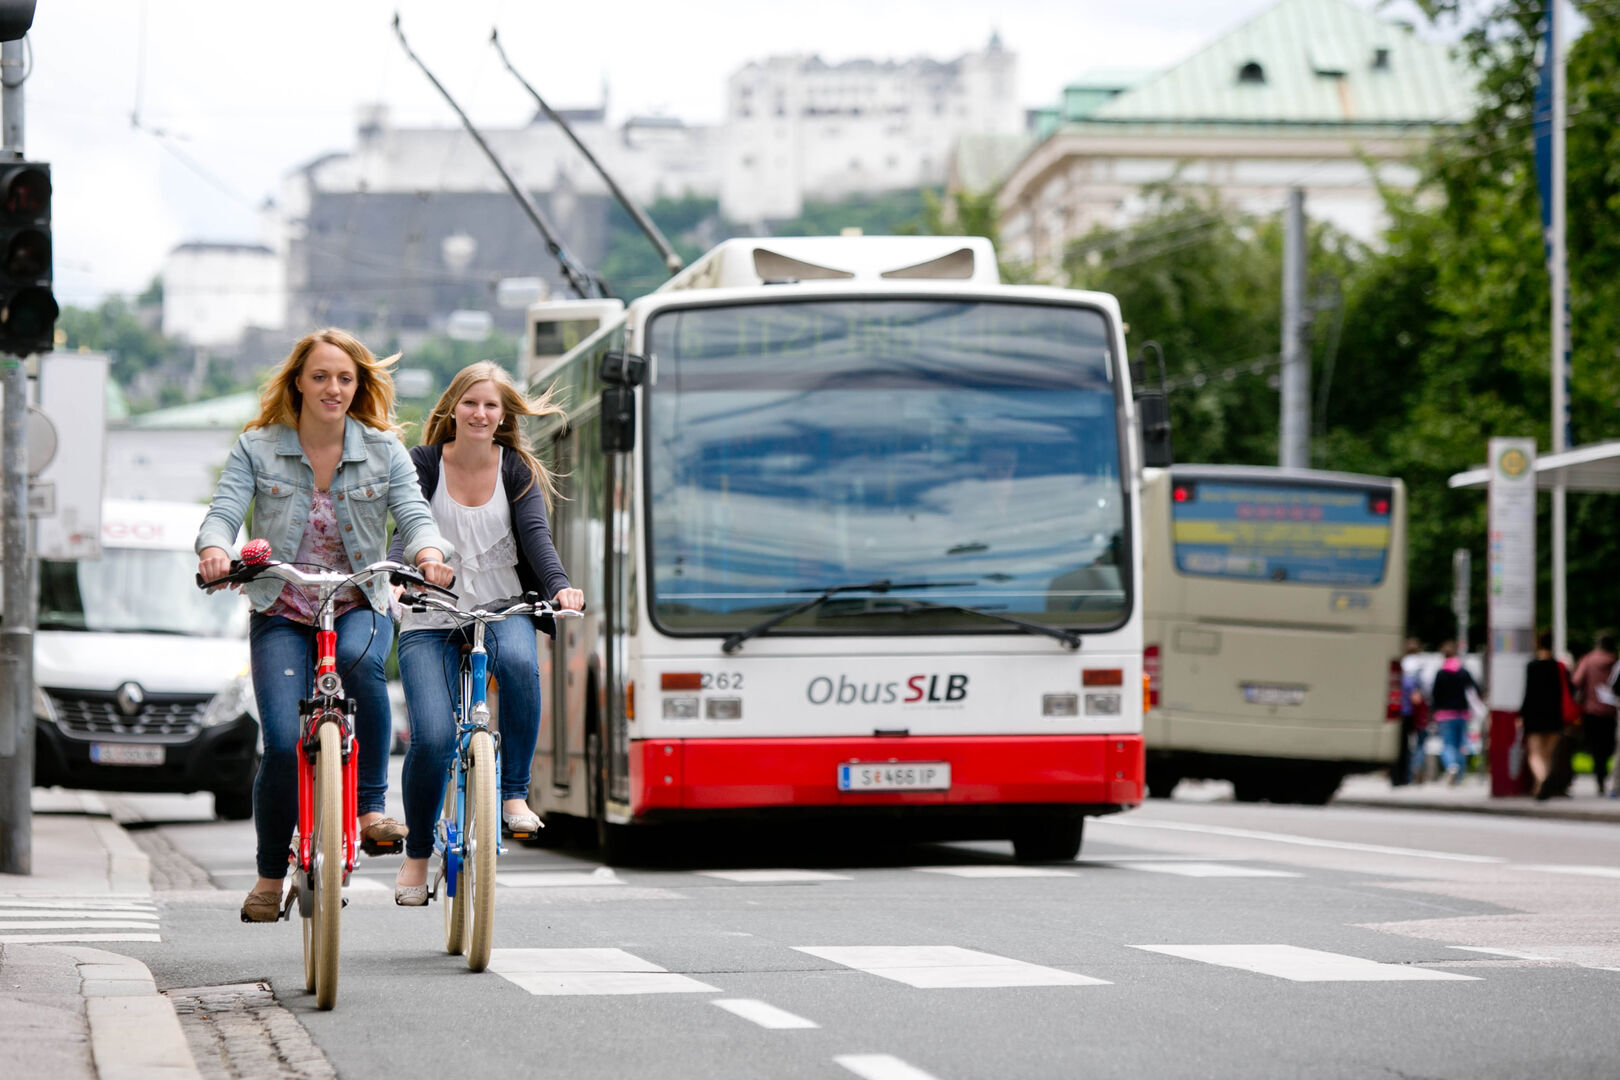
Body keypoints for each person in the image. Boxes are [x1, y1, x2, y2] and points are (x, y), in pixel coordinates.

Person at [195, 329, 456, 923]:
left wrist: (428, 554)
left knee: (364, 665)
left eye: (344, 378)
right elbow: (224, 512)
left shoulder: (384, 450)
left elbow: (414, 516)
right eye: (320, 377)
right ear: (298, 383)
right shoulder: (257, 448)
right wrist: (215, 548)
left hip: (357, 598)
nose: (332, 388)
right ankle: (268, 878)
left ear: (358, 385)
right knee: (285, 745)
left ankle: (368, 811)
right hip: (282, 608)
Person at [390, 361, 585, 907]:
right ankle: (418, 852)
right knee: (429, 737)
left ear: (503, 416)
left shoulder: (516, 468)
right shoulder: (423, 463)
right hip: (431, 615)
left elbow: (537, 540)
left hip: (502, 609)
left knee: (522, 666)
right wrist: (398, 578)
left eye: (491, 405)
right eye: (471, 402)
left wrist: (562, 587)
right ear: (453, 407)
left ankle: (514, 794)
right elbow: (405, 527)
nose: (480, 413)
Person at [1519, 631, 1574, 801]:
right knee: (1548, 754)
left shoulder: (1532, 666)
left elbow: (1528, 693)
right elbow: (1568, 691)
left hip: (1534, 714)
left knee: (1535, 753)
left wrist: (1521, 715)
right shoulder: (1559, 667)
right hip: (1554, 714)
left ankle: (1542, 781)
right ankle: (1541, 786)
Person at [1425, 640, 1478, 786]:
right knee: (1461, 744)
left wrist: (1432, 713)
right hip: (1462, 713)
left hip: (1444, 715)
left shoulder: (1440, 674)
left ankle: (1451, 766)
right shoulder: (1463, 672)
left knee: (1448, 744)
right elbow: (1476, 689)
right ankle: (1459, 776)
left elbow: (1434, 695)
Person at [1571, 631, 1618, 795]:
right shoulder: (1615, 661)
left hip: (1591, 710)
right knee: (1607, 746)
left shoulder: (1588, 660)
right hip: (1612, 711)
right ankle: (1604, 775)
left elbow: (1576, 681)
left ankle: (1600, 778)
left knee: (1596, 747)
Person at [1394, 637, 1425, 786]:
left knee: (1396, 745)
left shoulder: (1400, 671)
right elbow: (1416, 699)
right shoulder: (1416, 671)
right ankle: (1407, 776)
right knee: (1408, 745)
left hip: (1396, 712)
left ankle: (1395, 777)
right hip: (1408, 713)